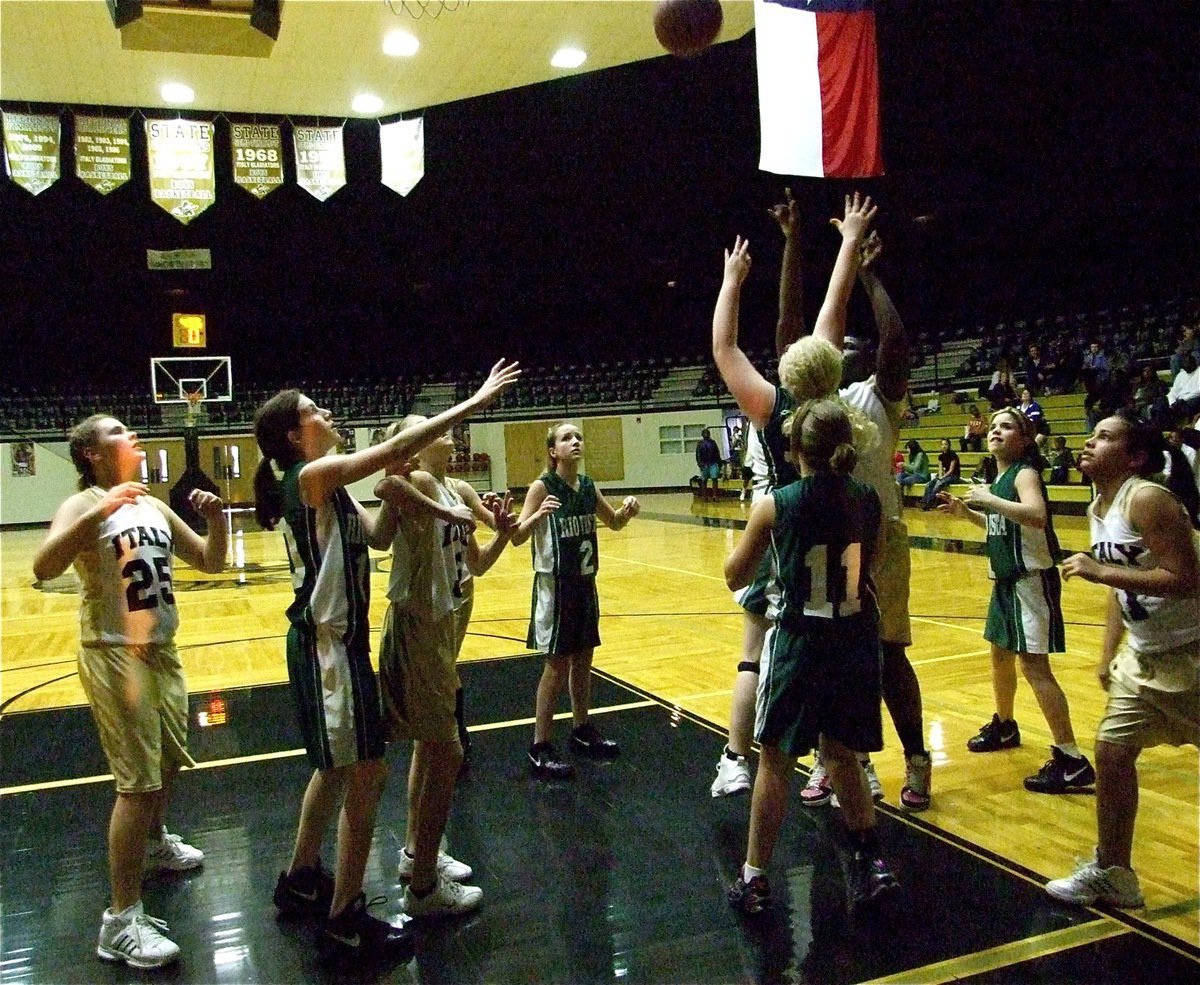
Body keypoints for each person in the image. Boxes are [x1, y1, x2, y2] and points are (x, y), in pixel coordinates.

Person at [252, 359, 518, 963]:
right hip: (328, 645)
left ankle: (301, 878)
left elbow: (375, 534)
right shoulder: (312, 474)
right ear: (295, 436)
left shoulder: (326, 484)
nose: (327, 413)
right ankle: (345, 919)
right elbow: (401, 443)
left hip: (336, 643)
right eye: (313, 410)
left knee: (338, 769)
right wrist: (474, 401)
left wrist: (404, 494)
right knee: (366, 771)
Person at [33, 414, 227, 970]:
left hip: (162, 650)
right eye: (119, 432)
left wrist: (215, 521)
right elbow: (45, 566)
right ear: (92, 454)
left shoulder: (152, 503)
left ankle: (155, 841)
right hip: (114, 652)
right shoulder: (85, 503)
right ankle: (120, 919)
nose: (133, 436)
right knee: (137, 783)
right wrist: (102, 508)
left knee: (167, 764)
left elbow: (210, 562)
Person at [707, 189, 876, 799]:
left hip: (788, 542)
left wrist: (732, 281)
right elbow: (833, 308)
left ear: (786, 372)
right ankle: (845, 762)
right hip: (846, 546)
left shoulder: (773, 409)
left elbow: (724, 349)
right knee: (846, 646)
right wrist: (850, 241)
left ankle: (738, 757)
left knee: (757, 655)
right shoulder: (837, 409)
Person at [725, 399, 899, 916]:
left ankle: (754, 877)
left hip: (800, 642)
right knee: (843, 755)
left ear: (794, 447)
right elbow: (878, 560)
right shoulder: (868, 499)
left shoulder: (777, 503)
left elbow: (736, 576)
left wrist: (737, 551)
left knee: (776, 762)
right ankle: (872, 863)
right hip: (853, 639)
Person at [1046, 411, 1199, 907]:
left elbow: (1185, 579)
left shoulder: (1149, 499)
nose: (1090, 442)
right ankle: (1115, 873)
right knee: (1111, 752)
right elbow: (1117, 584)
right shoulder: (1099, 505)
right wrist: (1108, 651)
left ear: (1134, 457)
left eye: (1105, 437)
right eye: (1092, 434)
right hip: (1148, 656)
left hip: (1194, 653)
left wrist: (1098, 572)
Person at [374, 416, 516, 918]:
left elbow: (477, 563)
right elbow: (385, 486)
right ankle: (424, 890)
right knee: (448, 751)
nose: (452, 435)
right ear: (418, 442)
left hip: (444, 628)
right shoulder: (414, 482)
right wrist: (448, 513)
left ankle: (418, 856)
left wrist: (501, 531)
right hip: (418, 625)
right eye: (439, 429)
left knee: (432, 749)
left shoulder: (454, 487)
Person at [937, 407, 1095, 793]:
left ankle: (1071, 758)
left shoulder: (1024, 473)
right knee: (1000, 653)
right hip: (1006, 582)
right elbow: (1001, 523)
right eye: (992, 427)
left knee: (1034, 667)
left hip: (1030, 581)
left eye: (1006, 426)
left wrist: (989, 499)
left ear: (1025, 440)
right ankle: (1005, 724)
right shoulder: (1001, 477)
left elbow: (1036, 515)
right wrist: (966, 513)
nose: (995, 431)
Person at [512, 421, 641, 779]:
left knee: (584, 659)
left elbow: (612, 522)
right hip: (556, 586)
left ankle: (582, 729)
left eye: (579, 436)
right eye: (566, 438)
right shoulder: (542, 487)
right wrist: (537, 515)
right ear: (553, 451)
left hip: (586, 584)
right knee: (557, 665)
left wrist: (627, 511)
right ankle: (539, 745)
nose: (575, 441)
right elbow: (517, 538)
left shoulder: (586, 486)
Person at [920, 438, 961, 510]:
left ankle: (930, 503)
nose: (944, 446)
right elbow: (940, 469)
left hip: (954, 476)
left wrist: (942, 477)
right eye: (942, 444)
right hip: (945, 476)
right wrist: (939, 476)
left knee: (938, 484)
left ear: (949, 445)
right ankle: (924, 501)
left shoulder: (953, 455)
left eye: (945, 444)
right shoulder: (940, 456)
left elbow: (951, 470)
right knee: (929, 484)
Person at [695, 427, 722, 500]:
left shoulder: (713, 442)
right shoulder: (700, 444)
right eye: (704, 433)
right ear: (702, 435)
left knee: (714, 479)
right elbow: (698, 454)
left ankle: (715, 496)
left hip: (713, 463)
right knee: (704, 480)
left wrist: (719, 462)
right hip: (704, 464)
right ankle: (704, 496)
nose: (706, 435)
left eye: (707, 433)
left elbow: (717, 453)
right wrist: (700, 464)